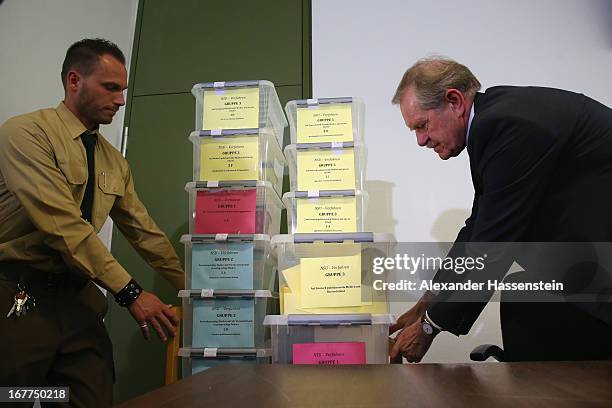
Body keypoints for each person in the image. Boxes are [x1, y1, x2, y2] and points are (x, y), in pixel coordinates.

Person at [389, 56, 612, 363]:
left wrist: (429, 328)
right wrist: (427, 303)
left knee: (528, 301)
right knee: (526, 299)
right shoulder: (493, 122)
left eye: (422, 125)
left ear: (454, 101)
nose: (420, 140)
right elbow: (478, 228)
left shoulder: (506, 126)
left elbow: (494, 249)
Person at [0, 38, 185, 406]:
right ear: (74, 80)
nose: (120, 100)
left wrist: (198, 292)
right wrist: (130, 293)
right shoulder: (25, 134)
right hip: (19, 295)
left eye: (123, 91)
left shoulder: (114, 162)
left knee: (92, 395)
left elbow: (146, 235)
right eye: (110, 88)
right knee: (15, 396)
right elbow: (63, 226)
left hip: (77, 299)